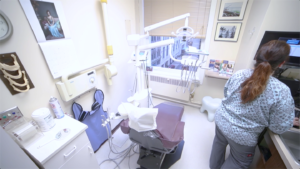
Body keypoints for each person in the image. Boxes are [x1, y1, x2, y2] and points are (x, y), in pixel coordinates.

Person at [209, 40, 295, 169]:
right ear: (282, 63)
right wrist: (289, 121)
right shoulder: (281, 91)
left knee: (219, 144)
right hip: (243, 136)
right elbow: (278, 127)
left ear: (257, 57)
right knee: (239, 161)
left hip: (221, 120)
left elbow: (226, 94)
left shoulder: (239, 74)